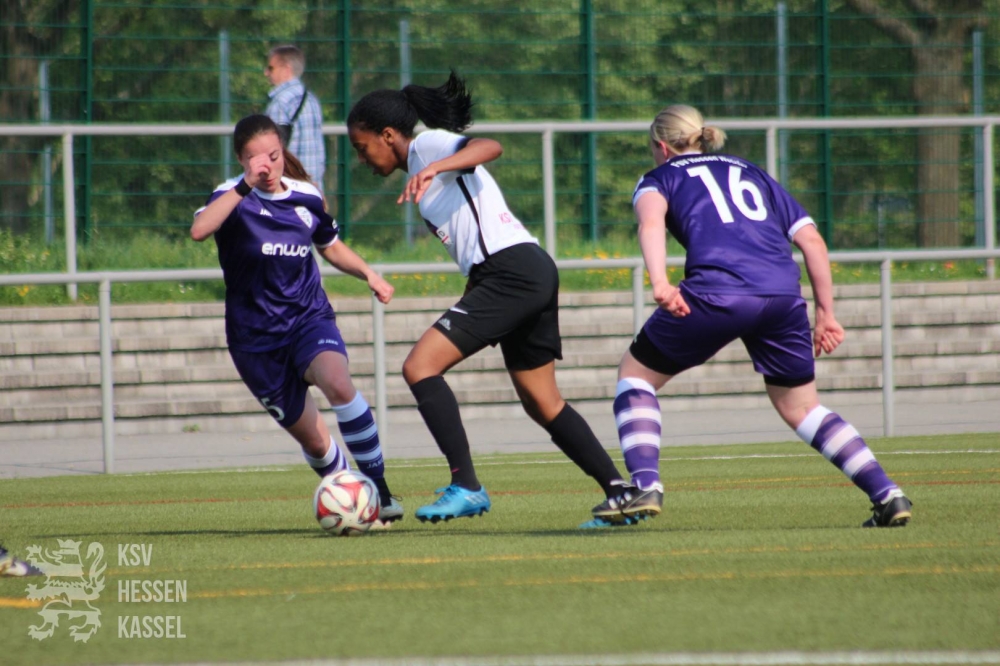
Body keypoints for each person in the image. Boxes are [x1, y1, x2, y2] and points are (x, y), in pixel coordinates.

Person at [346, 72, 634, 528]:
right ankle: (620, 492)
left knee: (419, 367)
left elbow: (489, 147)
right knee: (542, 401)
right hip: (519, 271)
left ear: (387, 135)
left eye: (362, 148)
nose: (361, 159)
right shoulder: (421, 163)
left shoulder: (426, 147)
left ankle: (466, 485)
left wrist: (436, 167)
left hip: (511, 272)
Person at [610, 104, 912, 528]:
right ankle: (888, 494)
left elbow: (651, 225)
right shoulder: (750, 170)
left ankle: (645, 485)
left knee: (635, 376)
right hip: (782, 296)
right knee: (802, 407)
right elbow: (812, 241)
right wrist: (826, 314)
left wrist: (660, 282)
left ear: (661, 146)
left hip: (717, 292)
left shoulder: (658, 178)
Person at [191, 114, 402, 525]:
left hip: (308, 319)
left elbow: (330, 245)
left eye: (274, 156)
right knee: (318, 444)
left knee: (338, 382)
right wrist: (244, 185)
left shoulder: (305, 196)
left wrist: (370, 274)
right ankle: (354, 500)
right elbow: (200, 230)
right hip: (255, 342)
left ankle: (380, 491)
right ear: (241, 160)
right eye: (256, 160)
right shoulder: (230, 196)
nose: (267, 166)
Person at [265, 45, 325, 190]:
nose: (266, 73)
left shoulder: (280, 102)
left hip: (288, 185)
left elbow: (272, 149)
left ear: (286, 70)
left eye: (271, 68)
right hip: (313, 184)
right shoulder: (312, 99)